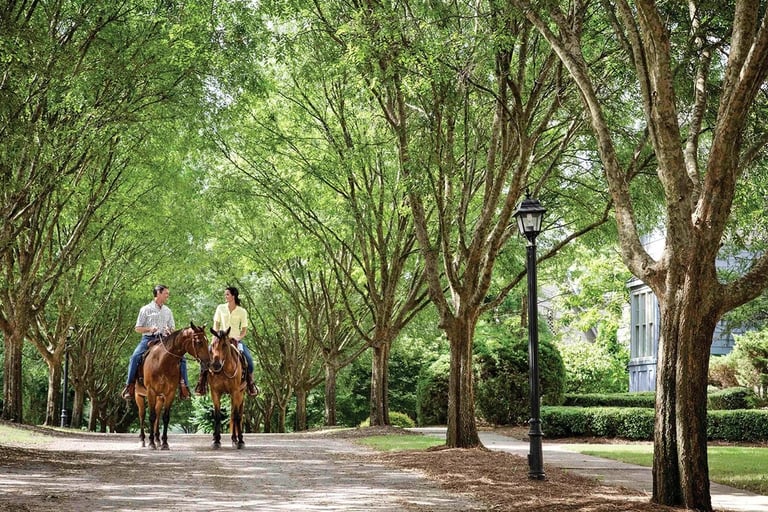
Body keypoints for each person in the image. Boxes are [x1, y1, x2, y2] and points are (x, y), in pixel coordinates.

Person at [120, 284, 191, 400]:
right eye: (166, 293)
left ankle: (184, 387)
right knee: (134, 357)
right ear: (158, 293)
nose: (167, 296)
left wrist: (170, 330)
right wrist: (149, 329)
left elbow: (172, 327)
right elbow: (137, 328)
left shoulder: (168, 311)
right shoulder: (145, 309)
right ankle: (130, 386)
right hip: (148, 339)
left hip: (165, 340)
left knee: (182, 358)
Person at [196, 286, 257, 396]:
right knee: (205, 357)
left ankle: (250, 384)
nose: (225, 296)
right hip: (220, 340)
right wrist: (214, 337)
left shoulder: (242, 311)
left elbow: (244, 330)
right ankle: (201, 382)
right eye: (225, 294)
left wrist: (238, 338)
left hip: (235, 340)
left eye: (227, 294)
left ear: (233, 296)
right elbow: (216, 324)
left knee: (249, 360)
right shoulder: (220, 308)